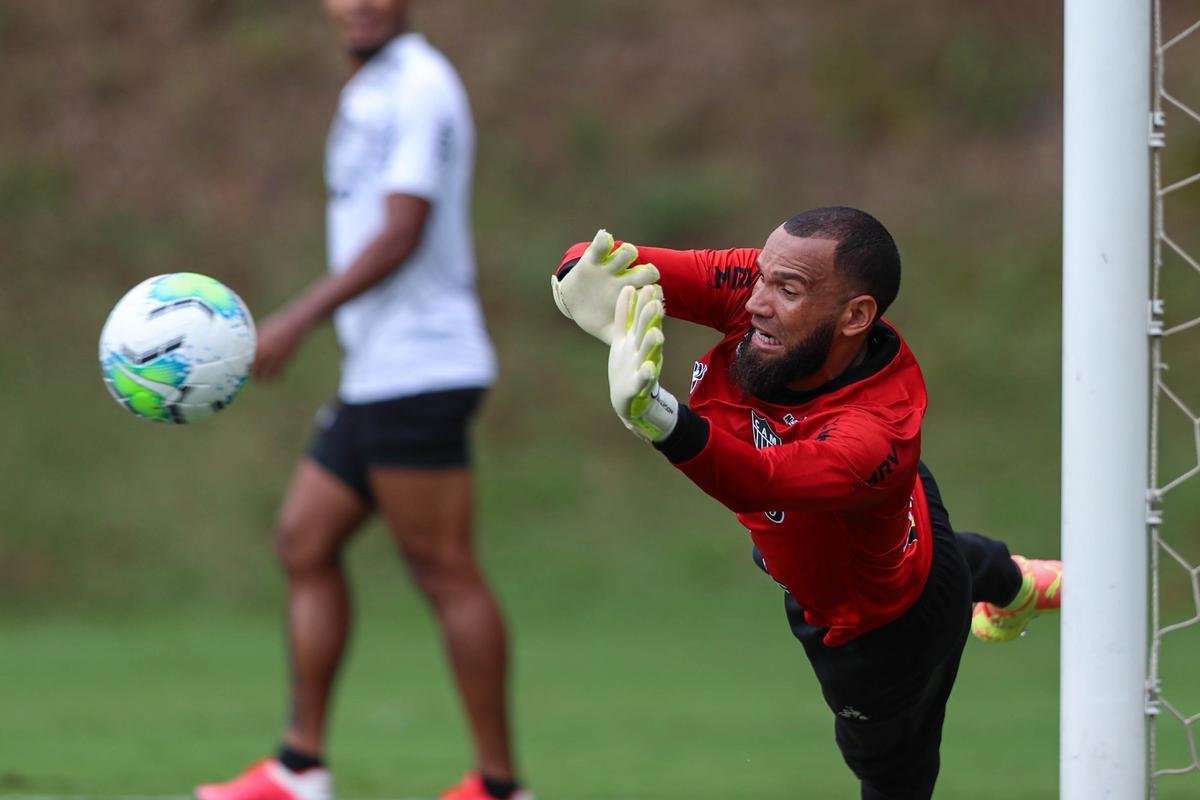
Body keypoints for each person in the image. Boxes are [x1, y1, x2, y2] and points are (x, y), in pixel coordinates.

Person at [550, 208, 1062, 800]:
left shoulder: (873, 434)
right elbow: (601, 257)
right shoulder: (767, 293)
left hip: (878, 632)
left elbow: (763, 479)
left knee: (895, 779)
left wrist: (658, 417)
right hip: (901, 520)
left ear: (856, 316)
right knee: (924, 551)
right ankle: (1017, 585)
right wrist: (578, 284)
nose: (756, 301)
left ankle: (1006, 585)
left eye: (786, 289)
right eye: (763, 275)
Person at [196, 2, 530, 800]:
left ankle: (500, 785)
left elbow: (401, 231)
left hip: (423, 366)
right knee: (303, 539)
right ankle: (299, 767)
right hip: (377, 370)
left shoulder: (421, 83)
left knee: (444, 570)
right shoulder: (370, 87)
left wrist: (295, 320)